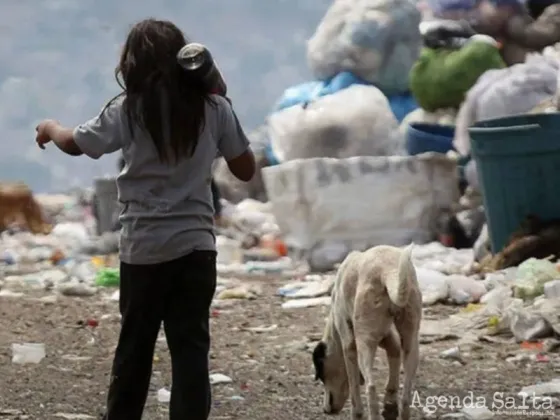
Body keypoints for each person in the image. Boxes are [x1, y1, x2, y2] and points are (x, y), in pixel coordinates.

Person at [34, 18, 255, 420]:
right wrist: (221, 98)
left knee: (134, 350)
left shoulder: (128, 108)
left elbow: (78, 144)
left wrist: (50, 127)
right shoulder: (214, 108)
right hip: (196, 248)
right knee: (190, 353)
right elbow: (245, 168)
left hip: (144, 250)